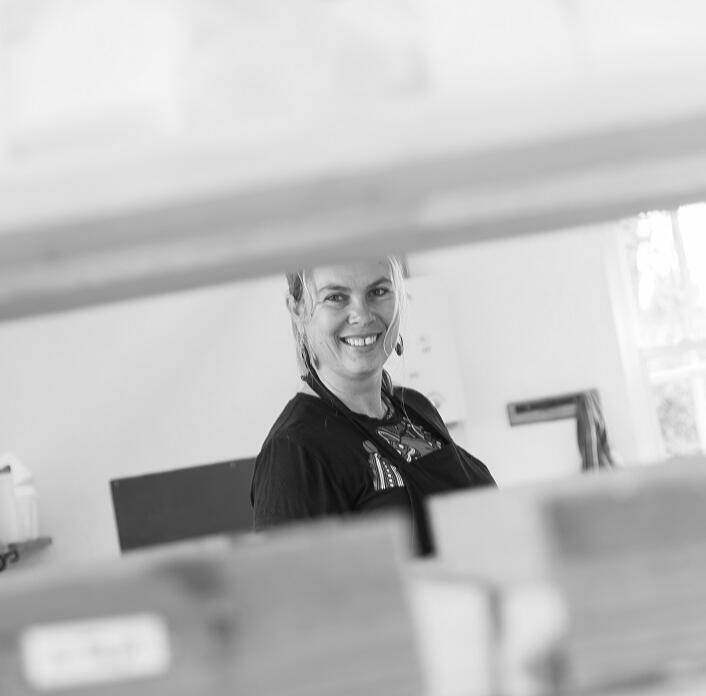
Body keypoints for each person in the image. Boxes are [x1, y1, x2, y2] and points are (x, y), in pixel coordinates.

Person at [250, 256, 495, 555]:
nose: (362, 315)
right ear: (298, 309)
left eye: (378, 292)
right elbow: (295, 597)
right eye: (336, 297)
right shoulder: (294, 452)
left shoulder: (415, 407)